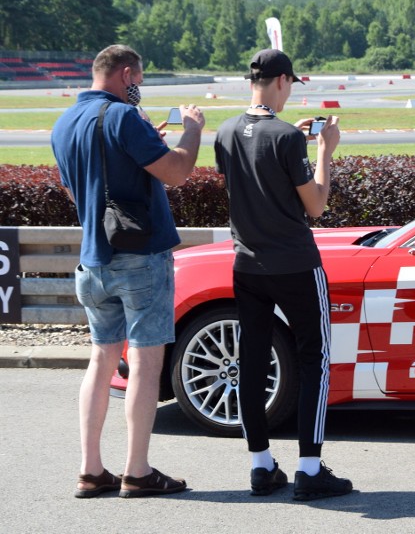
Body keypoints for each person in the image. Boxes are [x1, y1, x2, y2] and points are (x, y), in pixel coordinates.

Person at [51, 44, 205, 498]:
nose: (139, 87)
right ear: (124, 74)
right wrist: (191, 131)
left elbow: (80, 193)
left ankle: (90, 469)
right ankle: (136, 470)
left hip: (92, 259)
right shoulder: (123, 117)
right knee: (144, 359)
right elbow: (177, 172)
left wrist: (144, 145)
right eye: (138, 79)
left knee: (101, 360)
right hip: (139, 258)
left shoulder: (64, 123)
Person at [214, 49, 353, 501]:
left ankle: (260, 465)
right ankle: (309, 469)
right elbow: (316, 205)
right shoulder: (289, 138)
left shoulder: (226, 131)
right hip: (294, 262)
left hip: (247, 264)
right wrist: (324, 151)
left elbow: (248, 178)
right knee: (315, 358)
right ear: (281, 82)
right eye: (291, 83)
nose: (291, 91)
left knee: (252, 362)